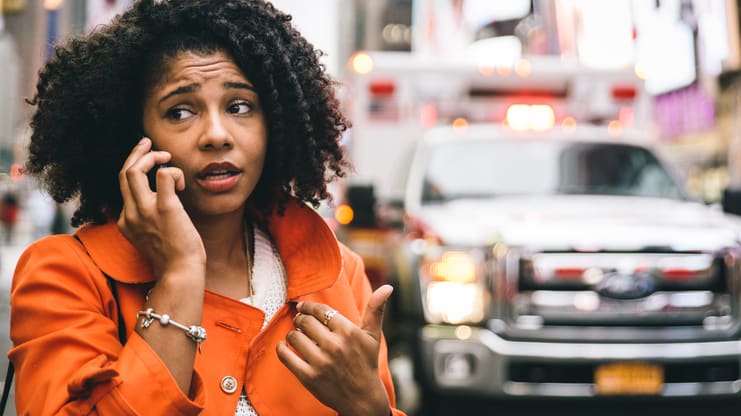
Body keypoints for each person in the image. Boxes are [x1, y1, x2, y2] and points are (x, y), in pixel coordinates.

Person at [8, 1, 404, 415]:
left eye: (239, 107)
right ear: (132, 136)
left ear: (274, 122)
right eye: (180, 111)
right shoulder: (64, 274)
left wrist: (369, 407)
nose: (216, 134)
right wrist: (179, 275)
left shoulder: (339, 274)